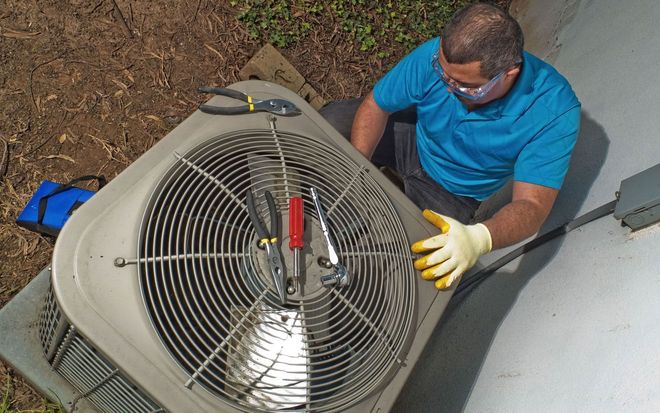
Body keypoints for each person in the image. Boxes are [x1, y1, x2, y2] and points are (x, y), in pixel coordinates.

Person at [320, 2, 580, 290]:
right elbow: (376, 105)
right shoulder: (439, 57)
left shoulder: (554, 110)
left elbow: (531, 206)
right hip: (411, 138)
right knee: (332, 120)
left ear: (509, 74)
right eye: (442, 74)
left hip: (453, 193)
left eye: (463, 85)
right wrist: (357, 166)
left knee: (411, 269)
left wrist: (479, 238)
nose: (447, 87)